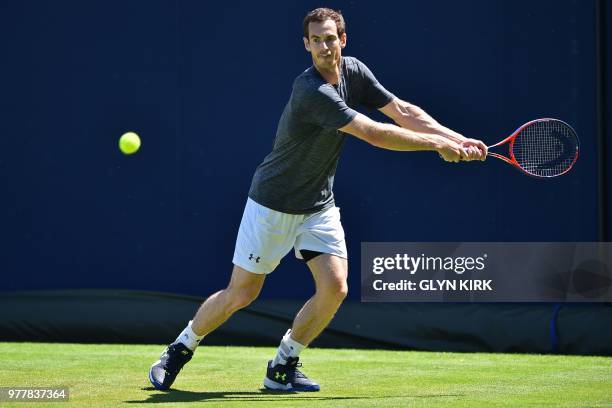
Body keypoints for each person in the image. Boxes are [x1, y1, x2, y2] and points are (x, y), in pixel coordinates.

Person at [149, 7, 487, 392]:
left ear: (343, 40)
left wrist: (457, 139)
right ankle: (179, 348)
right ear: (306, 45)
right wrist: (438, 145)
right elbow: (374, 133)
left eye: (331, 38)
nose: (325, 47)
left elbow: (402, 111)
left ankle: (283, 365)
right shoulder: (311, 91)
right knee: (241, 293)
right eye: (316, 40)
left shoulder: (354, 72)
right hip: (273, 203)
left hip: (318, 206)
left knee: (335, 287)